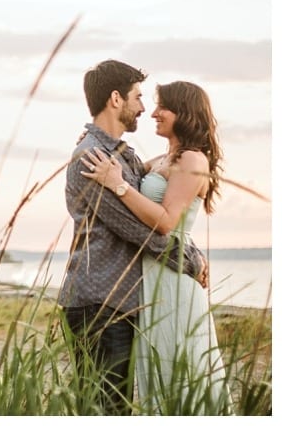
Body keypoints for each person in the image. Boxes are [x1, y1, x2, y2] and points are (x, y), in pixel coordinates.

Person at [58, 59, 207, 415]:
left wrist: (191, 247)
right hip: (98, 303)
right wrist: (189, 259)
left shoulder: (122, 155)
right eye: (138, 97)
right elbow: (137, 231)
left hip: (119, 302)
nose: (144, 107)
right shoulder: (91, 158)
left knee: (118, 406)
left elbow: (161, 214)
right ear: (115, 99)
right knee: (105, 409)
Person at [81, 80, 232, 414]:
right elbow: (131, 170)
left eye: (163, 106)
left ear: (184, 113)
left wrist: (117, 185)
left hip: (174, 278)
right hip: (152, 276)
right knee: (157, 369)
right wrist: (91, 141)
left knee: (179, 365)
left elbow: (165, 221)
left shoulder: (193, 160)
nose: (154, 113)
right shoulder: (165, 158)